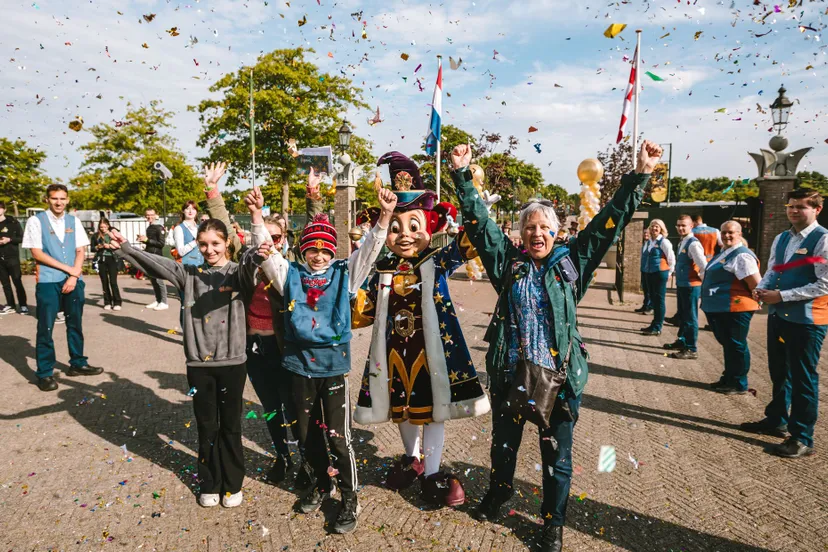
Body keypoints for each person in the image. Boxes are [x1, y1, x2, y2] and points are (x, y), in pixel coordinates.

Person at [453, 141, 661, 552]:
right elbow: (480, 226)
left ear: (555, 232)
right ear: (521, 233)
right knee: (504, 445)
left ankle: (553, 522)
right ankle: (498, 493)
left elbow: (610, 222)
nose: (536, 233)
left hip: (558, 378)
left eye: (543, 227)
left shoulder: (572, 263)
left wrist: (640, 174)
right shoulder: (508, 264)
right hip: (512, 373)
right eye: (529, 226)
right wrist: (462, 174)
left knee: (556, 458)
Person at [253, 170, 396, 534]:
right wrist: (256, 217)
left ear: (333, 252)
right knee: (306, 435)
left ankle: (350, 497)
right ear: (303, 249)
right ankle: (322, 483)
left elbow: (369, 250)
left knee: (337, 435)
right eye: (312, 249)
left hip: (332, 368)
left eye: (325, 249)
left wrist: (384, 217)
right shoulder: (291, 275)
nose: (318, 256)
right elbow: (269, 256)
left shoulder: (345, 273)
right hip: (298, 367)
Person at [351, 152, 490, 508]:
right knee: (403, 408)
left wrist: (477, 207)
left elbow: (472, 244)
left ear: (429, 226)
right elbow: (361, 309)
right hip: (394, 353)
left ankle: (431, 472)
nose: (404, 236)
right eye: (395, 228)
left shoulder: (437, 260)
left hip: (432, 354)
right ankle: (411, 458)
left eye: (413, 226)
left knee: (432, 411)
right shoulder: (381, 267)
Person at [110, 218, 262, 508]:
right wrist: (128, 249)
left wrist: (257, 232)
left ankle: (232, 484)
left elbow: (253, 260)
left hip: (232, 364)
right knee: (206, 425)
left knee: (230, 425)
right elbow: (159, 264)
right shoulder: (188, 274)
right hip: (199, 366)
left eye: (215, 243)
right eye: (203, 244)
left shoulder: (238, 275)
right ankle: (210, 482)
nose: (209, 249)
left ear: (227, 242)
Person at [203, 161, 326, 488]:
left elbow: (317, 228)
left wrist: (313, 193)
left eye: (276, 237)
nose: (269, 242)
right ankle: (281, 456)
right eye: (265, 236)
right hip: (253, 349)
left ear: (284, 238)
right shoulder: (248, 256)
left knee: (294, 407)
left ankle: (304, 461)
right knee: (271, 408)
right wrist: (212, 190)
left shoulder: (293, 264)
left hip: (286, 348)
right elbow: (227, 231)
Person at [743, 189, 828, 458]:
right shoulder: (782, 238)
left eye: (801, 207)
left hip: (807, 320)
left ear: (817, 209)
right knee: (779, 371)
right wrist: (762, 289)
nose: (793, 211)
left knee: (804, 377)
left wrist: (782, 295)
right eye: (790, 206)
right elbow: (773, 270)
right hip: (779, 316)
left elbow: (824, 283)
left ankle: (802, 437)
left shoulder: (823, 239)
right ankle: (776, 419)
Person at [22, 184, 103, 392]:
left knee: (75, 323)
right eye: (54, 198)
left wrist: (74, 275)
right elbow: (37, 253)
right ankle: (45, 373)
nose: (59, 202)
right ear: (47, 200)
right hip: (49, 281)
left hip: (73, 280)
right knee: (46, 327)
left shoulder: (73, 221)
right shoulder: (35, 220)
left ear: (67, 200)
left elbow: (80, 250)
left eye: (62, 198)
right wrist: (68, 270)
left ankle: (77, 363)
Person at [700, 221, 761, 395]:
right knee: (729, 344)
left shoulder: (742, 255)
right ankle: (729, 377)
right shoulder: (725, 252)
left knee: (736, 345)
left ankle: (739, 383)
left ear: (740, 234)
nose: (727, 236)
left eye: (731, 233)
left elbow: (755, 284)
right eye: (724, 232)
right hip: (722, 308)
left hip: (736, 308)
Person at [664, 215, 708, 359]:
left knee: (690, 317)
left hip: (691, 285)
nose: (680, 228)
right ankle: (682, 341)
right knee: (683, 315)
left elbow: (703, 265)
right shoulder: (683, 241)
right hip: (682, 284)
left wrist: (703, 284)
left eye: (684, 225)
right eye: (678, 225)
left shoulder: (693, 243)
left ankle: (691, 348)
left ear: (691, 226)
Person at [640, 219, 674, 336]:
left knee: (659, 300)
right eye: (652, 226)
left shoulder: (664, 242)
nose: (654, 229)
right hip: (649, 273)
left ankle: (658, 327)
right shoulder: (648, 242)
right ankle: (654, 324)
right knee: (653, 299)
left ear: (661, 229)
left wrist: (670, 273)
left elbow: (671, 259)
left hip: (660, 273)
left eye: (657, 227)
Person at [137, 208, 169, 311]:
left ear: (156, 215)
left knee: (159, 280)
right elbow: (151, 242)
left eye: (151, 214)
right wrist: (143, 240)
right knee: (153, 279)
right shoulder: (149, 227)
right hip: (149, 254)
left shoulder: (159, 228)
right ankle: (158, 300)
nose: (149, 217)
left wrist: (147, 240)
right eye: (147, 215)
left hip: (157, 256)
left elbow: (161, 243)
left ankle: (164, 302)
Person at [0, 200, 28, 314]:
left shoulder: (12, 222)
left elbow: (22, 238)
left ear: (4, 209)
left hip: (12, 257)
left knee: (17, 281)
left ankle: (23, 305)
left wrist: (9, 240)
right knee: (5, 283)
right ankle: (10, 305)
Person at [92, 218, 123, 311]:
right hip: (101, 259)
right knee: (104, 282)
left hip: (112, 259)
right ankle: (107, 302)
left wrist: (109, 246)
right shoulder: (96, 236)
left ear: (108, 226)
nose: (103, 229)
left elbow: (119, 246)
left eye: (104, 227)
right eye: (101, 227)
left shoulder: (112, 234)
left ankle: (117, 302)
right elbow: (92, 248)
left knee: (113, 281)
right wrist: (97, 247)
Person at [634, 227, 653, 315]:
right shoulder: (644, 244)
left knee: (650, 290)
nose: (645, 235)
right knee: (645, 289)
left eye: (647, 233)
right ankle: (645, 305)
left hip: (649, 270)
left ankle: (650, 307)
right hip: (644, 269)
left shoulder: (651, 243)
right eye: (644, 233)